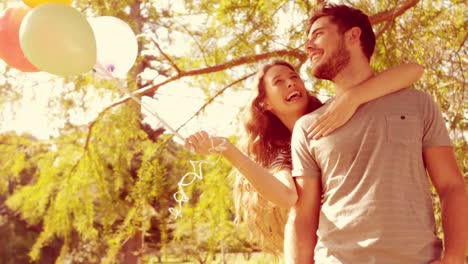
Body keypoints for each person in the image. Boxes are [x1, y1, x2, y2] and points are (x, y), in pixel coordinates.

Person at [286, 3, 468, 264]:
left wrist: (454, 259)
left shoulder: (417, 104)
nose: (308, 46)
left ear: (353, 35)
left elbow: (451, 186)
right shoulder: (308, 127)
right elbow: (304, 216)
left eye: (318, 34)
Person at [186, 59, 424, 255]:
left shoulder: (337, 112)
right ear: (265, 103)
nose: (290, 83)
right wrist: (227, 148)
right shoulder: (283, 151)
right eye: (279, 81)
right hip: (337, 250)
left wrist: (353, 98)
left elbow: (413, 70)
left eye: (294, 77)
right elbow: (287, 195)